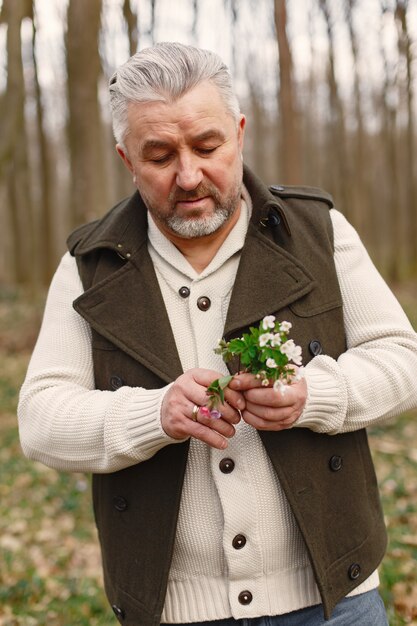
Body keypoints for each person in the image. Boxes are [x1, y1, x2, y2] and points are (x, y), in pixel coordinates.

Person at [18, 42, 417, 626]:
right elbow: (40, 421)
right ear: (126, 159)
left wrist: (313, 394)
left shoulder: (316, 231)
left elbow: (403, 361)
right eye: (159, 155)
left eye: (207, 146)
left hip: (336, 600)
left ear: (239, 133)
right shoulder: (90, 264)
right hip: (172, 610)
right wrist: (154, 415)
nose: (189, 174)